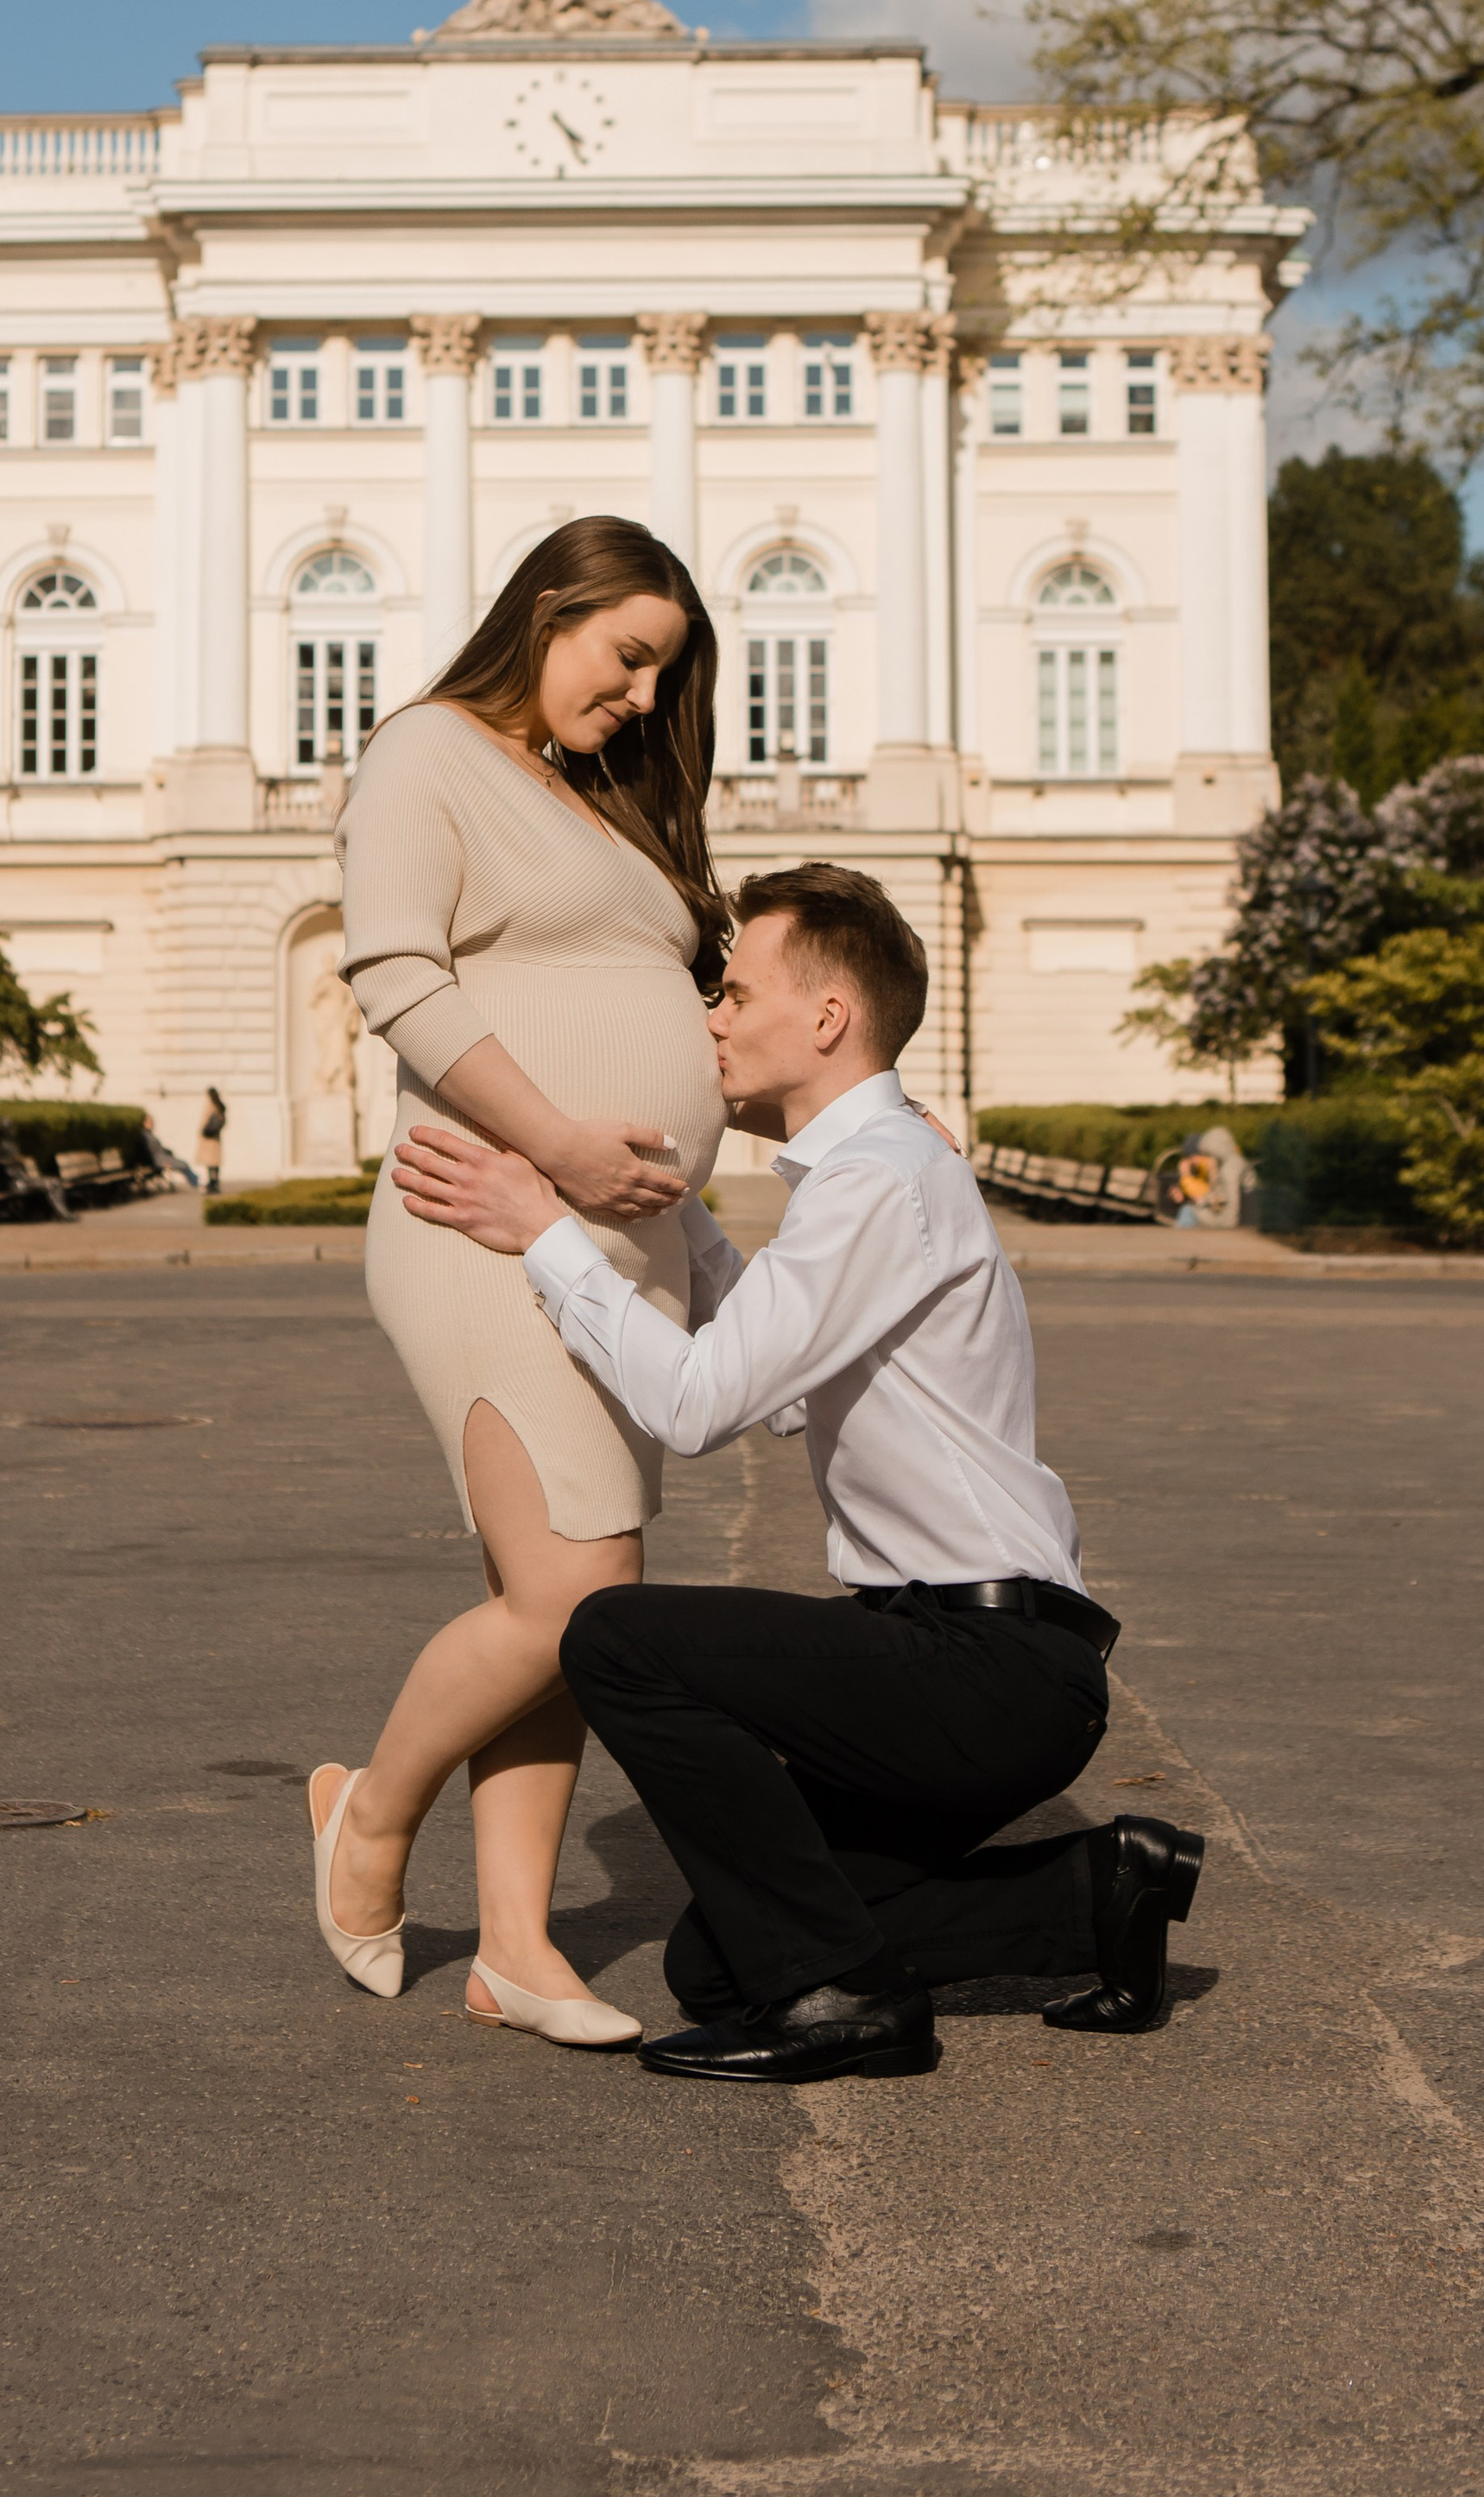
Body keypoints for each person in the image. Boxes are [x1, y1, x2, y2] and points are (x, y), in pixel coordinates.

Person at [393, 863, 1206, 2086]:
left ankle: (857, 2012)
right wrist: (678, 1221)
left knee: (618, 1636)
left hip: (982, 1669)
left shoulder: (882, 1176)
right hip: (969, 1665)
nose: (710, 1017)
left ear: (827, 1018)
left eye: (734, 991)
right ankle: (1096, 1897)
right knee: (721, 1963)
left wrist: (542, 1231)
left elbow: (700, 1402)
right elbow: (773, 1382)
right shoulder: (874, 1175)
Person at [307, 515, 727, 2050]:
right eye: (626, 657)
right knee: (577, 1595)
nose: (637, 699)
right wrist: (553, 1143)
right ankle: (370, 1811)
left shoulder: (603, 798)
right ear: (550, 608)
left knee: (550, 1603)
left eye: (661, 678)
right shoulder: (427, 748)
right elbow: (395, 971)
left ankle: (515, 1950)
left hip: (620, 1238)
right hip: (487, 1214)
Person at [198, 1088, 227, 1198]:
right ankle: (215, 1182)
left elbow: (204, 1121)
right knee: (214, 1162)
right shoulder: (220, 1106)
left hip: (208, 1138)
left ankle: (212, 1183)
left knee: (210, 1162)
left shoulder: (211, 1106)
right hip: (215, 1138)